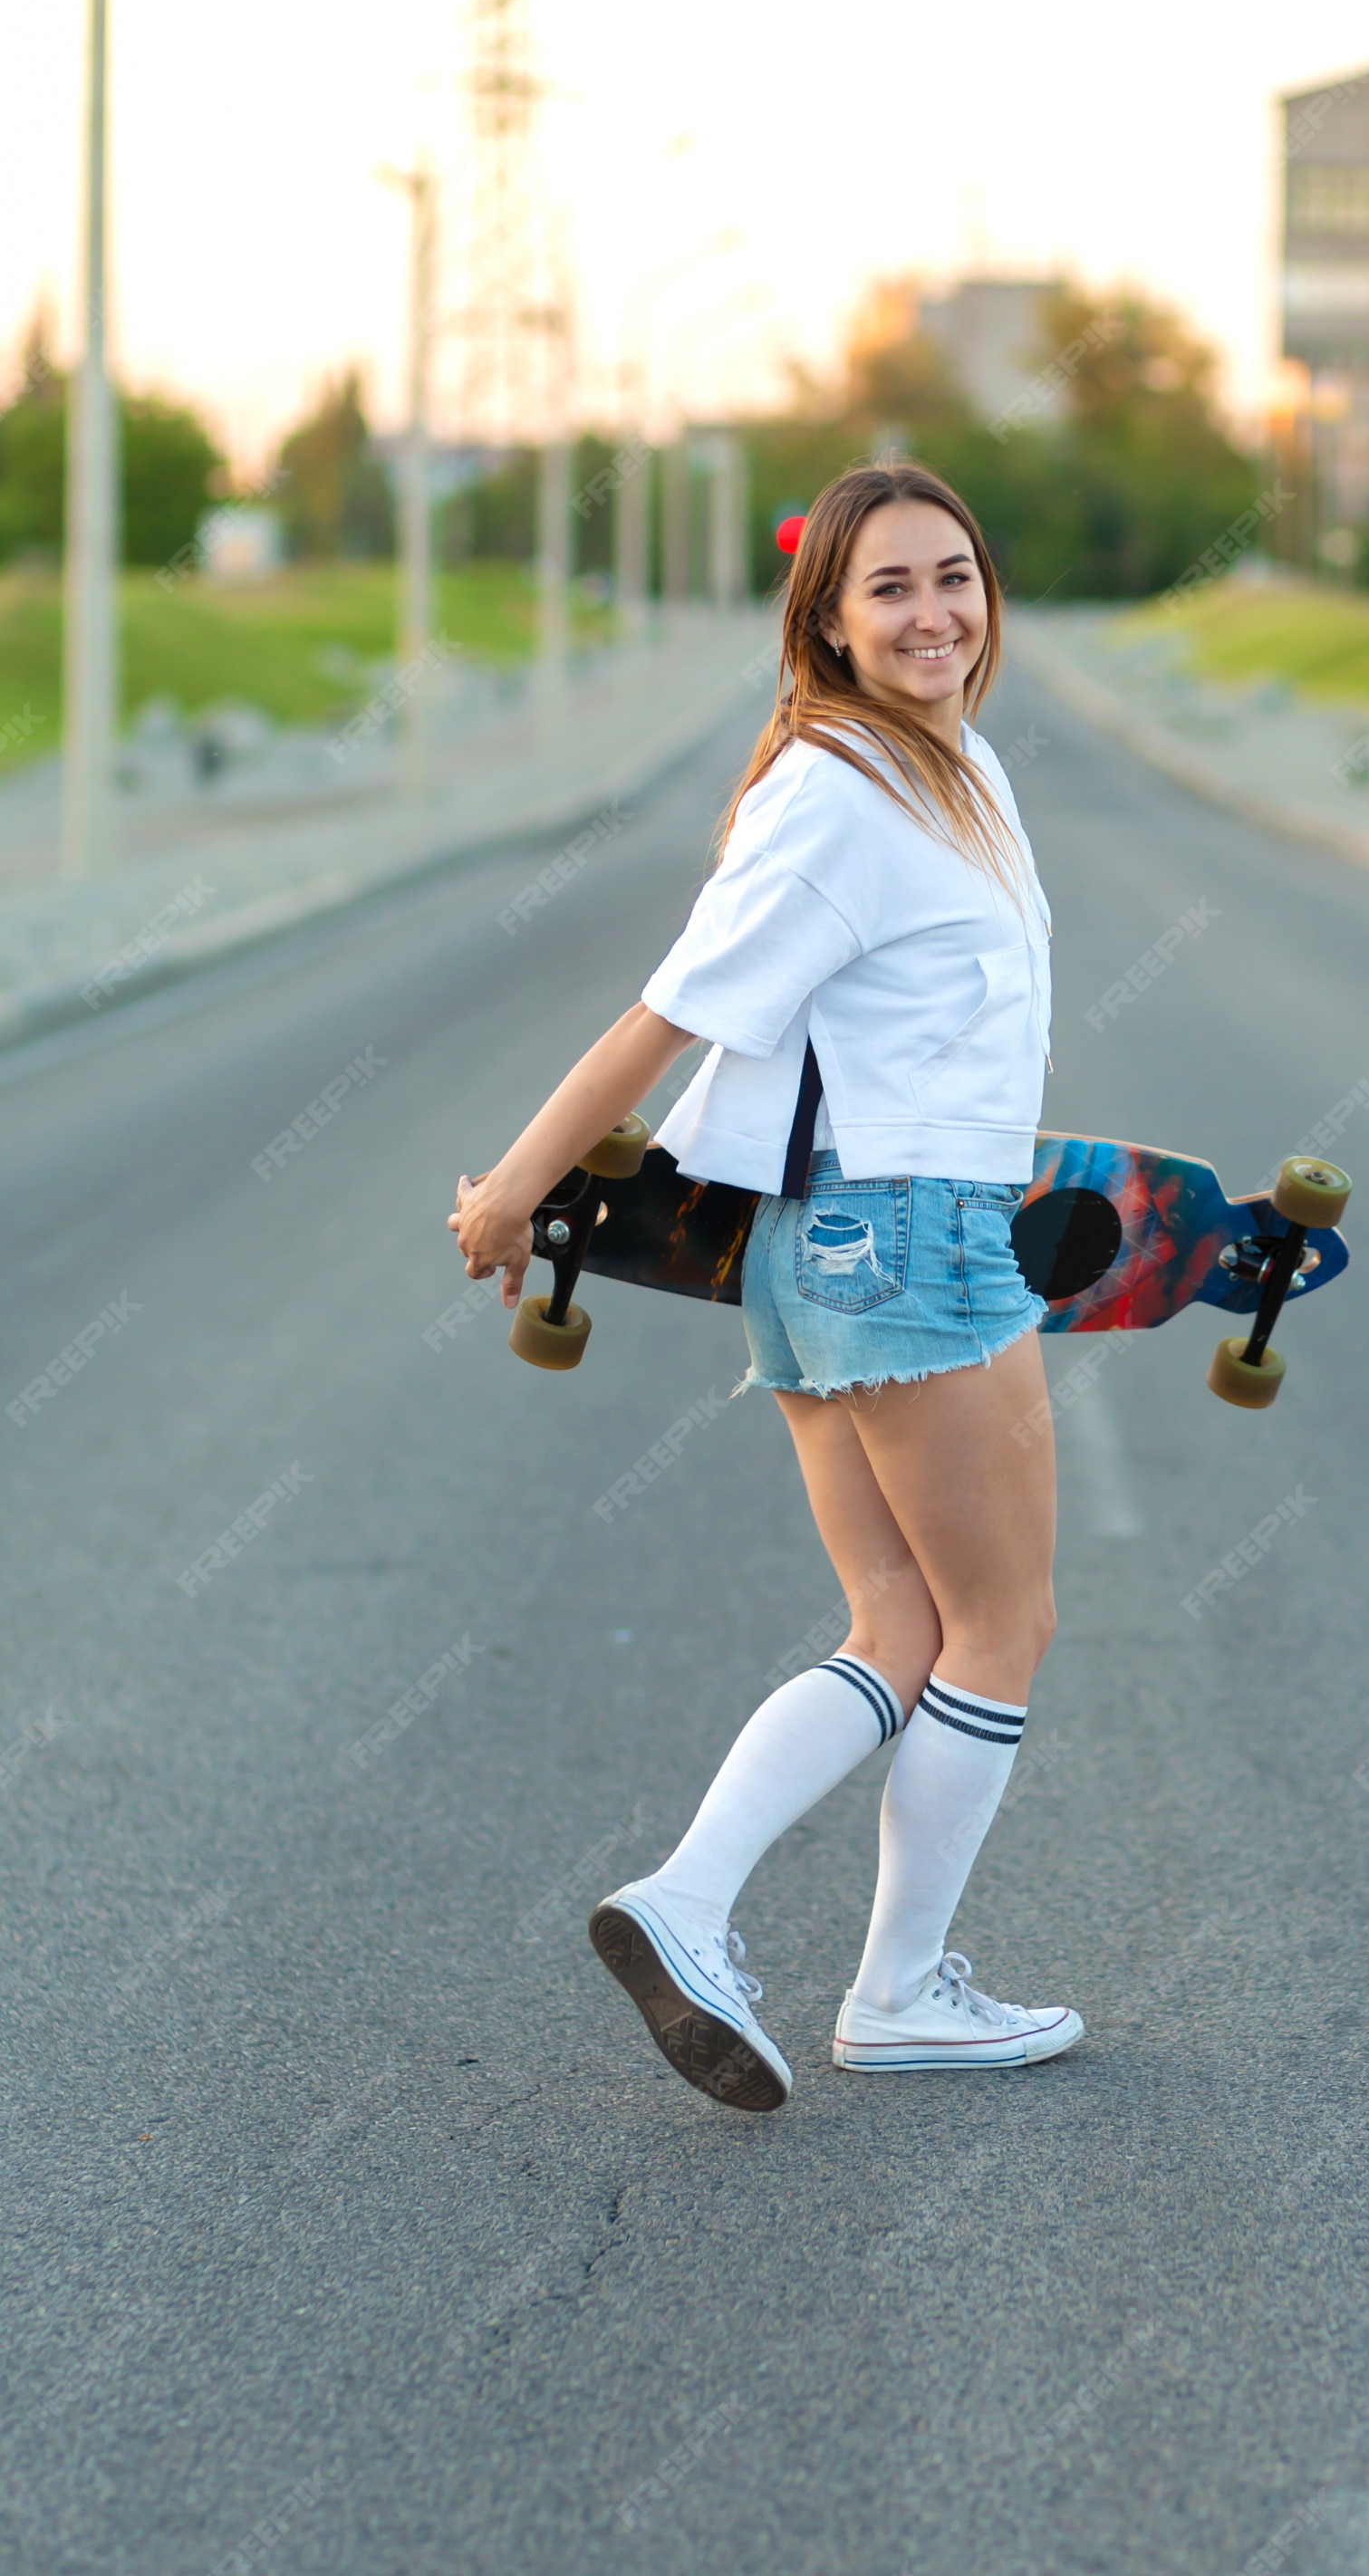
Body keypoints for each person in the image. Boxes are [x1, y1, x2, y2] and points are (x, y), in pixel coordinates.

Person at [448, 460, 1081, 2113]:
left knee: (901, 1620)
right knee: (1003, 1621)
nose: (935, 611)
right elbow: (670, 1016)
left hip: (831, 1242)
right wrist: (520, 1184)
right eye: (891, 589)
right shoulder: (842, 791)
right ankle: (899, 1991)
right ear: (829, 620)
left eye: (957, 575)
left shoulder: (951, 767)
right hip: (909, 1234)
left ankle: (689, 1903)